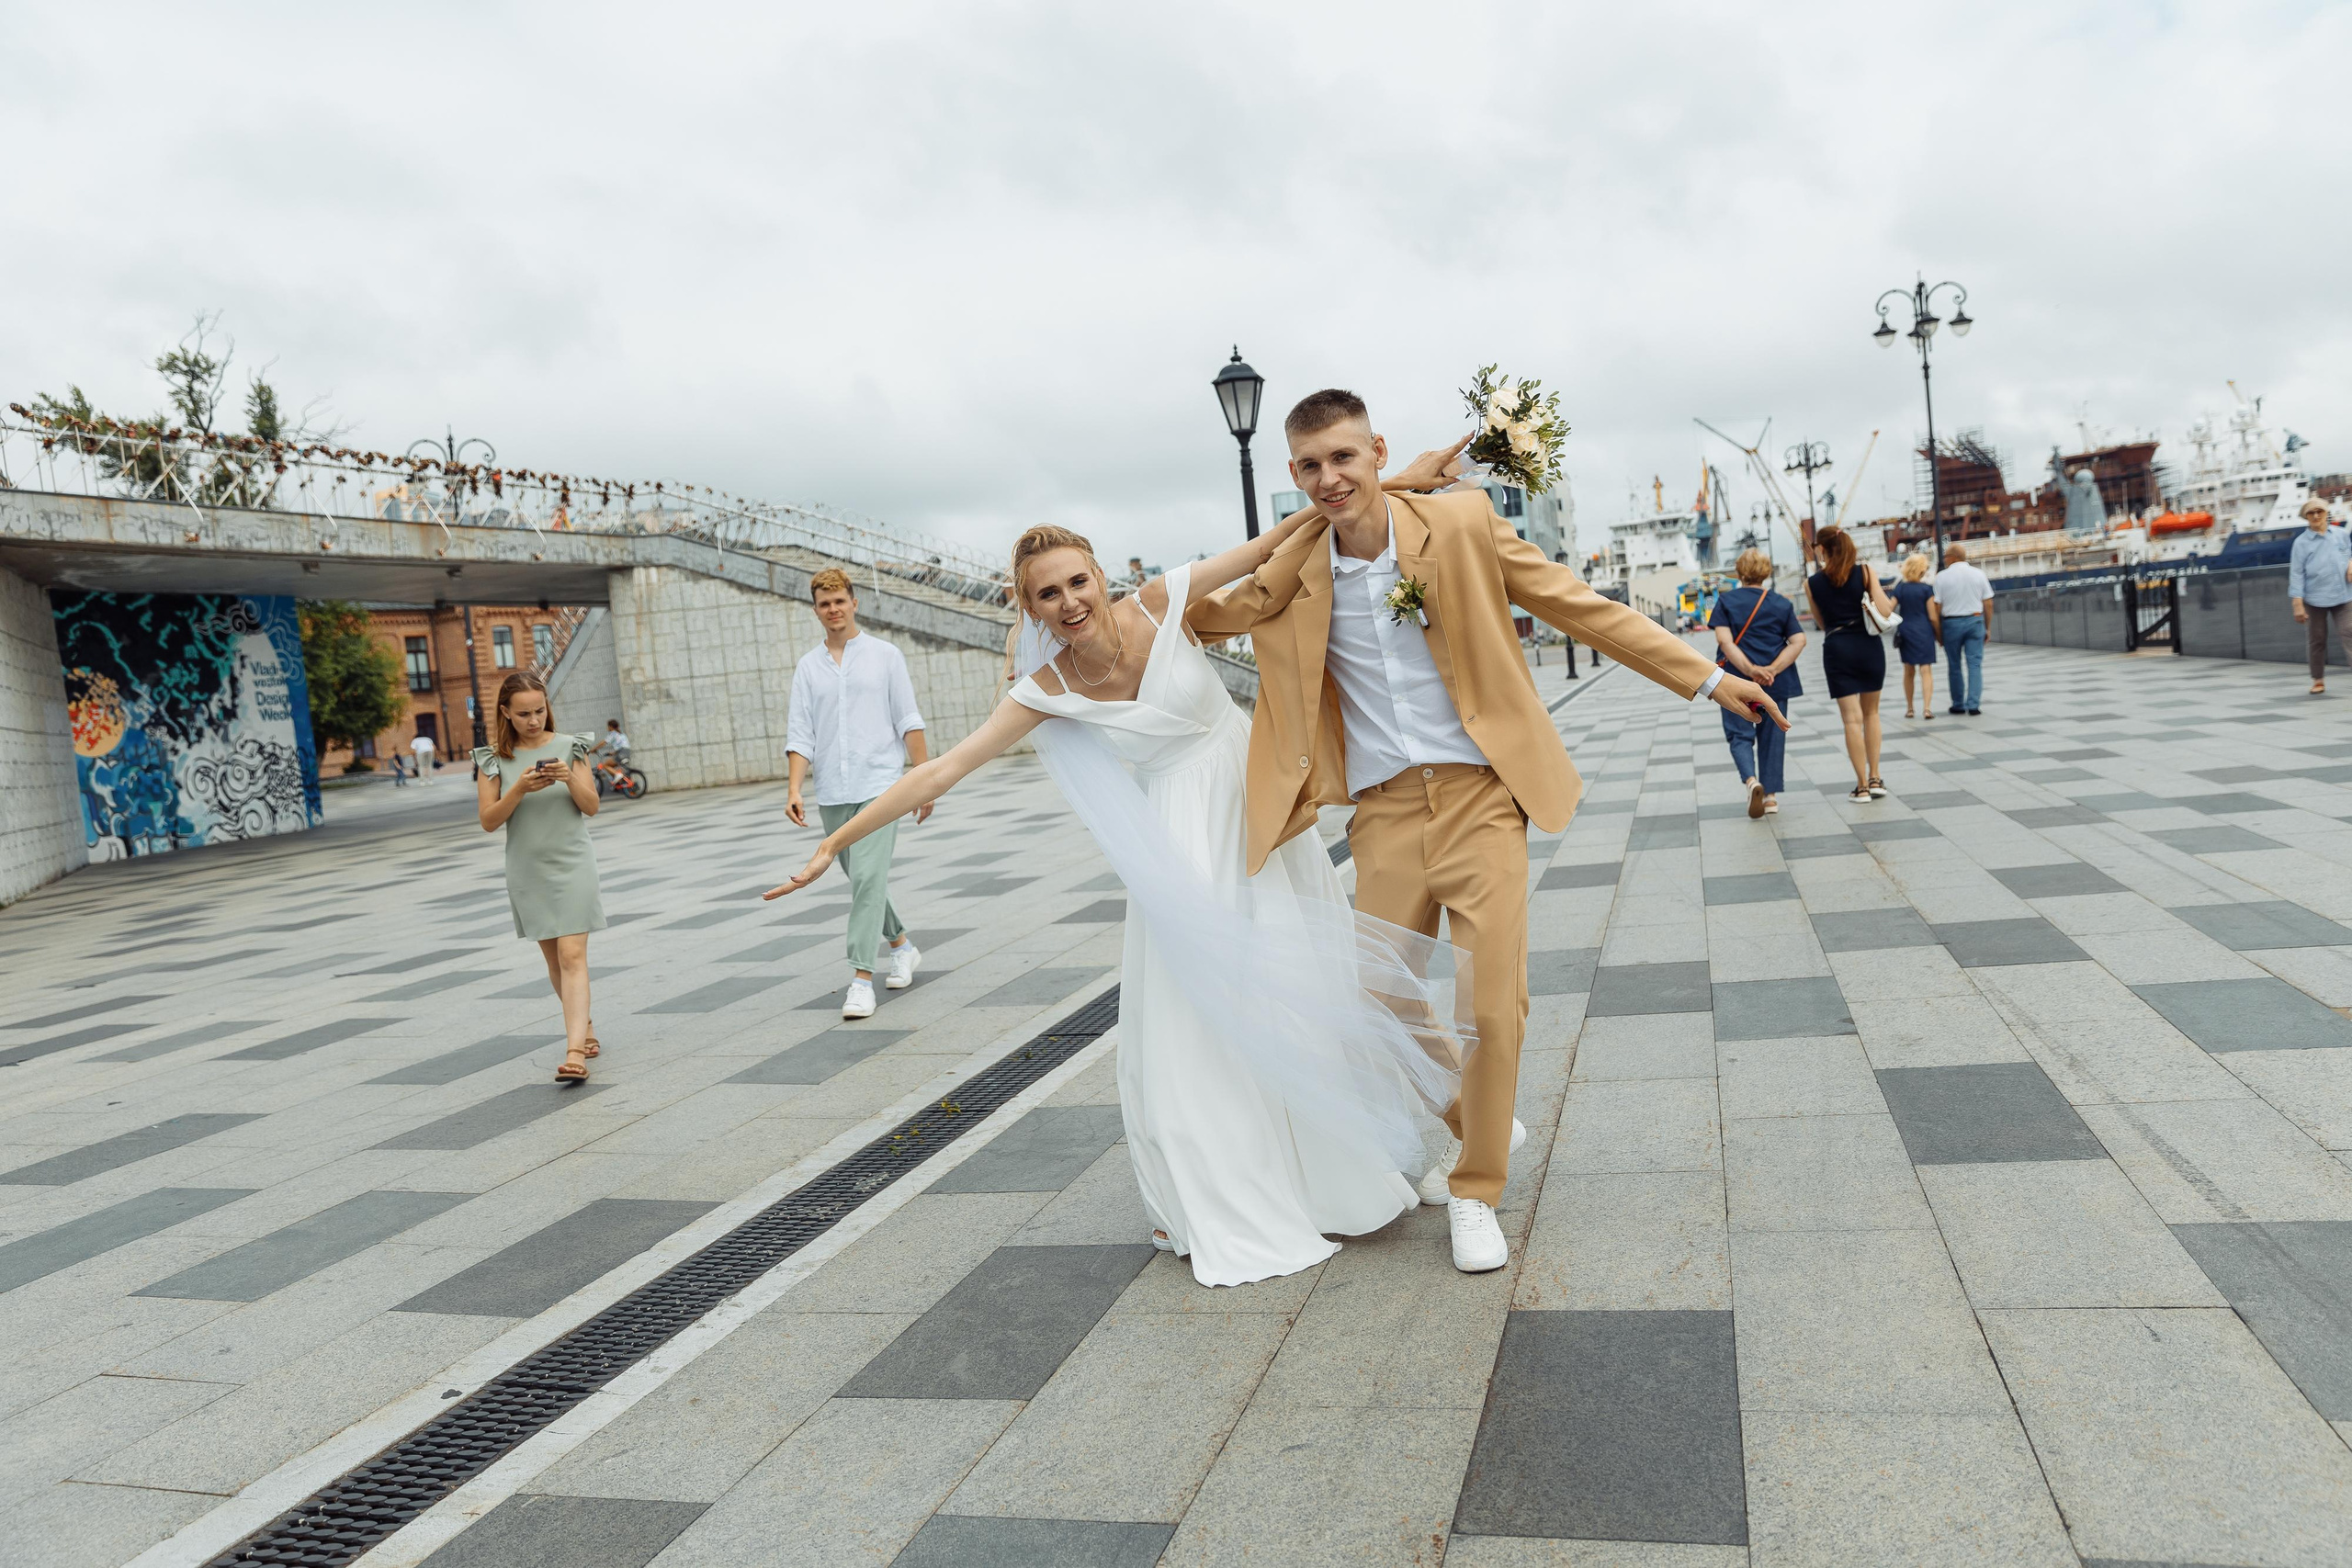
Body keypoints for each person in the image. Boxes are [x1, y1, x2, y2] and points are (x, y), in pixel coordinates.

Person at [768, 438, 1490, 1288]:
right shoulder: (1050, 689)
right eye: (1048, 594)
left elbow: (1287, 535)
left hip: (1259, 818)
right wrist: (832, 841)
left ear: (1099, 575)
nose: (1070, 602)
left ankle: (1445, 1139)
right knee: (1199, 1032)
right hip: (1181, 854)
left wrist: (1408, 474)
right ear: (1030, 609)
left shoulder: (1161, 602)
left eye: (1078, 581)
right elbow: (940, 768)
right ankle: (1231, 1188)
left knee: (1316, 992)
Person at [1190, 389, 1785, 1275]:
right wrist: (1295, 531)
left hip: (1479, 797)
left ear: (1376, 450)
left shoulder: (1460, 524)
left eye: (1347, 458)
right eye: (1310, 467)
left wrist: (1704, 681)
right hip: (1384, 813)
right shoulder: (1300, 567)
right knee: (1375, 998)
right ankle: (1476, 1117)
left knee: (1491, 1006)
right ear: (1291, 475)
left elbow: (1581, 606)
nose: (1330, 478)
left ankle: (1476, 1191)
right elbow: (1198, 615)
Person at [786, 569, 931, 1020]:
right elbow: (801, 732)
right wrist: (794, 786)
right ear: (816, 610)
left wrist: (927, 778)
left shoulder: (886, 656)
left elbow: (908, 718)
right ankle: (902, 946)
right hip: (832, 791)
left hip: (881, 786)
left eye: (840, 601)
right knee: (864, 882)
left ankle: (861, 979)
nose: (834, 609)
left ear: (854, 603)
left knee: (867, 881)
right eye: (825, 603)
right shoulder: (809, 667)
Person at [472, 672, 605, 1083]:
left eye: (540, 710)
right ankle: (585, 1027)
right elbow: (489, 822)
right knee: (554, 960)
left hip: (573, 863)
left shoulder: (571, 748)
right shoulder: (494, 759)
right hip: (527, 869)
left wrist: (568, 778)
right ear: (506, 714)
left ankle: (573, 1053)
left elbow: (592, 807)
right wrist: (519, 790)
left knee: (572, 955)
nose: (534, 720)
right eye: (524, 713)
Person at [1709, 548, 1805, 817]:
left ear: (1739, 573)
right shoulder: (1782, 603)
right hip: (1776, 681)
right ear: (1766, 573)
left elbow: (1725, 642)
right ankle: (1771, 797)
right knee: (1773, 735)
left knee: (1739, 734)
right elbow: (1799, 641)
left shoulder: (1726, 602)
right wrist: (1771, 669)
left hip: (1734, 680)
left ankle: (1752, 782)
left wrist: (1750, 670)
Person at [1806, 525, 1896, 803]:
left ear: (1821, 548)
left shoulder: (1812, 583)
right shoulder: (1865, 572)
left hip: (1837, 647)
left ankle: (1861, 786)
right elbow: (1883, 610)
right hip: (1868, 646)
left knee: (1851, 720)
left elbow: (1821, 623)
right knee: (1872, 714)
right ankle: (1876, 777)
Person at [2289, 499, 2352, 694]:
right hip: (2314, 598)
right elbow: (2297, 573)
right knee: (2317, 639)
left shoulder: (2341, 535)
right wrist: (2297, 604)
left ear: (2326, 513)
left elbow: (2348, 554)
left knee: (2349, 633)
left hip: (2344, 595)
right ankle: (2318, 679)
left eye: (2319, 511)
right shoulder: (2300, 543)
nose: (2316, 516)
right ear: (2306, 517)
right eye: (2311, 513)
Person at [1932, 542, 1994, 714]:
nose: (1944, 560)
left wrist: (1939, 633)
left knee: (1954, 665)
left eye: (1945, 556)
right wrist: (1987, 627)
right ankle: (1973, 705)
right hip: (1975, 620)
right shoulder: (1978, 574)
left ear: (1952, 557)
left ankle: (1958, 704)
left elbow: (1937, 607)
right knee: (1974, 664)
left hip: (1951, 623)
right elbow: (1988, 603)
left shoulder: (1941, 577)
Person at [1890, 553, 1940, 718]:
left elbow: (1889, 609)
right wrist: (1939, 634)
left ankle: (1910, 708)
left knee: (1908, 670)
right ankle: (1927, 708)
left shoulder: (1900, 588)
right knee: (1926, 670)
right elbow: (1933, 616)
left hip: (1906, 630)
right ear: (1921, 570)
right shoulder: (1926, 590)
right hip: (1924, 631)